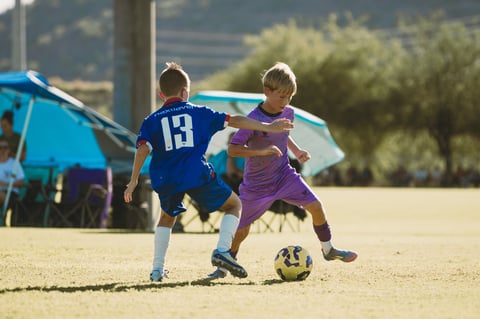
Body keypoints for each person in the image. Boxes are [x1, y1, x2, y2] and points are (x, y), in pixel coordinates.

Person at [123, 62, 293, 282]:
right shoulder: (199, 113)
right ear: (185, 92)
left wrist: (133, 180)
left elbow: (143, 148)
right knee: (234, 205)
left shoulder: (151, 120)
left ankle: (157, 270)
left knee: (166, 217)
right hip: (195, 173)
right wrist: (268, 127)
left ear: (161, 94)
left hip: (165, 177)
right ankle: (222, 251)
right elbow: (235, 121)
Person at [208, 62, 357, 279]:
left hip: (284, 175)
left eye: (289, 97)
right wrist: (262, 152)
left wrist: (297, 151)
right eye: (281, 96)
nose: (285, 102)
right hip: (256, 185)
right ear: (267, 91)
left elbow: (283, 134)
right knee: (241, 231)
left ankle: (328, 249)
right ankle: (223, 267)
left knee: (316, 206)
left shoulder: (288, 112)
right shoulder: (253, 119)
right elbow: (233, 150)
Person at [0, 140, 25, 225]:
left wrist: (4, 184)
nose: (2, 150)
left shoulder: (14, 163)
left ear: (9, 150)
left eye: (5, 148)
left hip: (11, 193)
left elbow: (21, 182)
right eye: (0, 148)